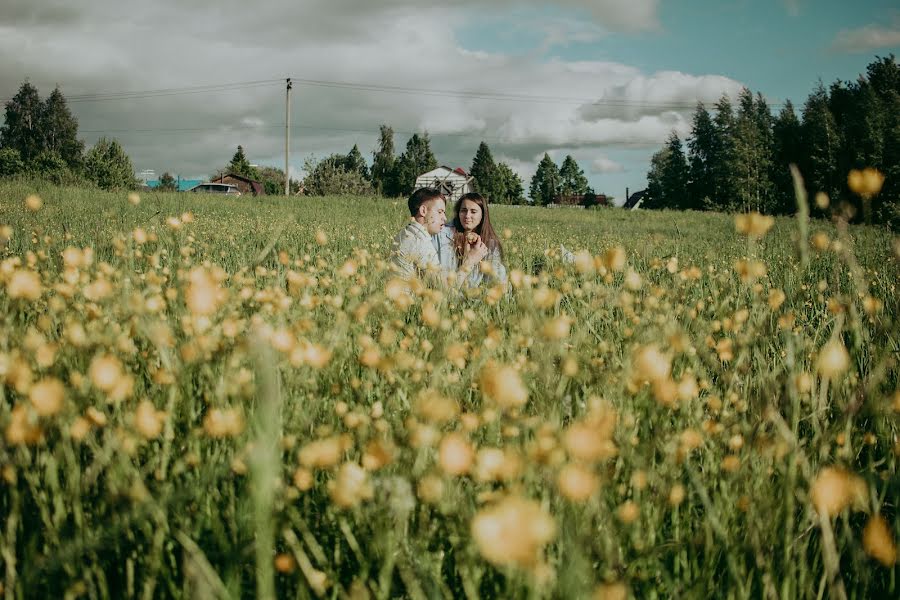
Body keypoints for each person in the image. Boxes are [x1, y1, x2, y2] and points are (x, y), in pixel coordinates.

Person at [390, 187, 488, 285]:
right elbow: (446, 290)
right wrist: (470, 261)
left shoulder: (405, 234)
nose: (444, 218)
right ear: (423, 210)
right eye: (440, 212)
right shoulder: (420, 242)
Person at [433, 192, 507, 288]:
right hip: (445, 293)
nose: (467, 216)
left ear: (482, 215)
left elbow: (495, 282)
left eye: (473, 211)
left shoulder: (490, 244)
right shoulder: (442, 234)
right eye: (463, 210)